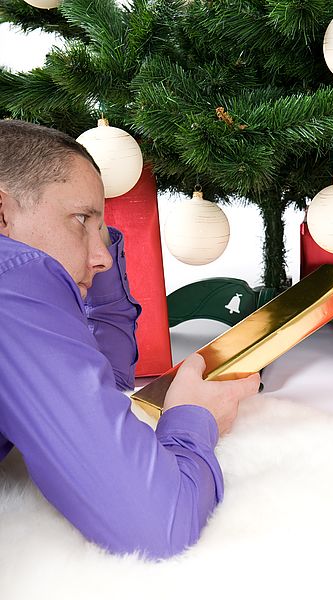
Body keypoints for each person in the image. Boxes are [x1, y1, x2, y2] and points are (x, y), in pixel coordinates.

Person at [0, 119, 260, 559]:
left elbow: (111, 378)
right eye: (79, 219)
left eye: (101, 227)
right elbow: (157, 524)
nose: (102, 255)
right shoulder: (13, 277)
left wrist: (91, 244)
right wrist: (196, 416)